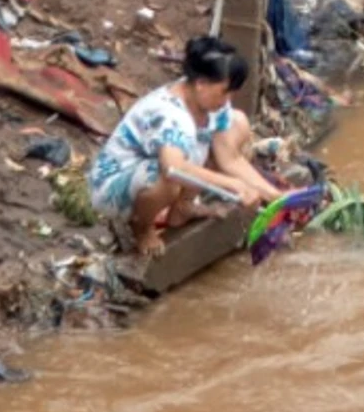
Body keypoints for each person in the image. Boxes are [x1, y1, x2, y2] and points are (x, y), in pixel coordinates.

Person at [87, 35, 283, 255]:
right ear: (201, 84)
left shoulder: (208, 104)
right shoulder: (171, 115)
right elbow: (173, 169)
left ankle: (183, 207)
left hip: (163, 165)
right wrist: (233, 185)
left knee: (237, 123)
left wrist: (275, 196)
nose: (227, 100)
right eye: (224, 91)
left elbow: (230, 159)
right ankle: (141, 227)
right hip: (116, 183)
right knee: (165, 178)